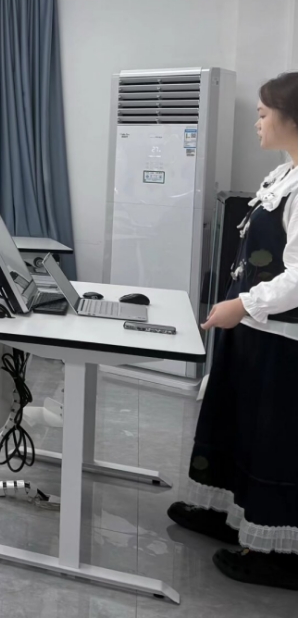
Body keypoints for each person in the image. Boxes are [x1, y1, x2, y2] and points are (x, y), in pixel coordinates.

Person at [168, 71, 297, 590]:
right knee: (237, 422)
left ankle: (281, 554)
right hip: (253, 327)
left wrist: (243, 304)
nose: (257, 123)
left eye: (263, 114)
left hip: (282, 340)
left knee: (273, 439)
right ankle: (229, 513)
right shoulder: (283, 175)